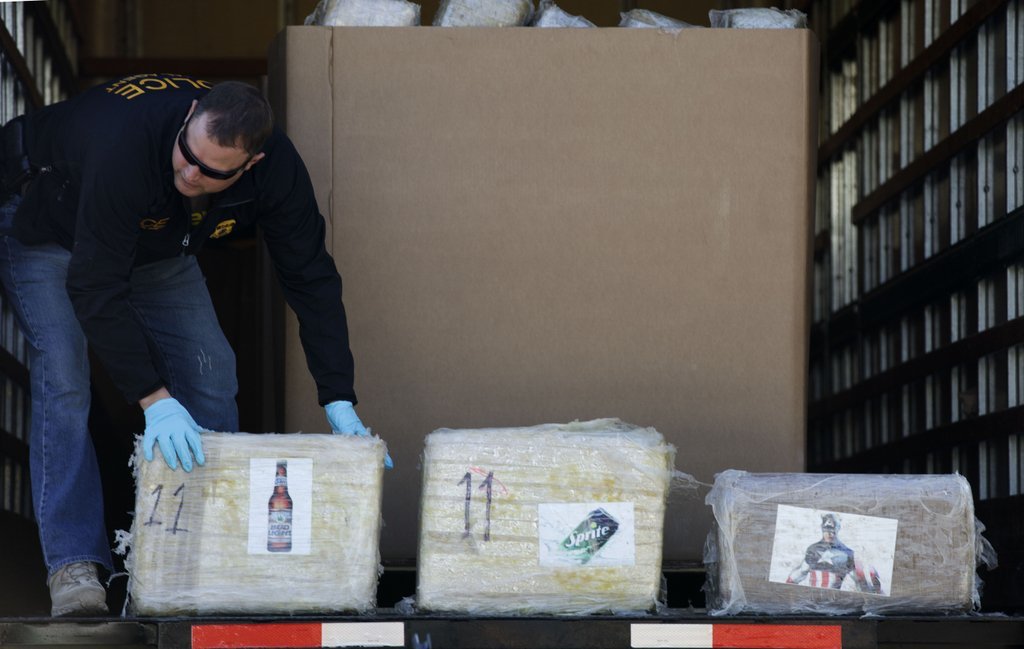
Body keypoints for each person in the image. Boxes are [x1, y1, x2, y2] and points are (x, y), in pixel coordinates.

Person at [0, 74, 390, 617]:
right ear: (188, 117)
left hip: (155, 241)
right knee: (64, 375)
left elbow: (310, 277)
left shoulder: (277, 171)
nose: (191, 172)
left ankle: (206, 553)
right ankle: (74, 566)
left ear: (250, 165)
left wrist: (338, 397)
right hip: (46, 221)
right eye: (188, 155)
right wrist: (154, 400)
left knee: (213, 370)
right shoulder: (127, 144)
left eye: (211, 172)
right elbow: (95, 286)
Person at [785, 513, 882, 594]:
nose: (829, 534)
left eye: (832, 531)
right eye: (826, 530)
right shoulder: (813, 549)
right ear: (822, 529)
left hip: (833, 602)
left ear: (837, 529)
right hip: (812, 601)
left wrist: (873, 590)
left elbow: (860, 582)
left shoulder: (847, 554)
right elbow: (800, 572)